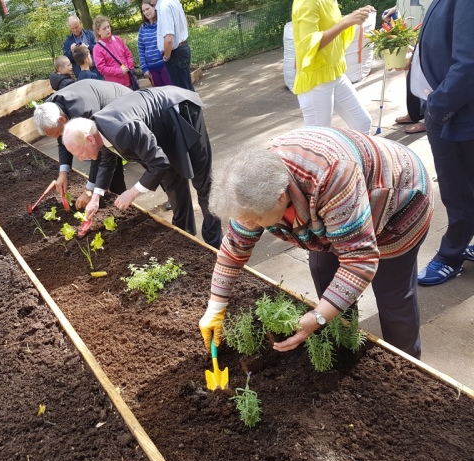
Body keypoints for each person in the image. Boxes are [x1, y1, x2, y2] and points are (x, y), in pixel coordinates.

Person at [199, 127, 433, 359]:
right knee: (323, 270)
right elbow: (235, 247)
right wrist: (215, 308)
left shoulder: (331, 177)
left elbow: (359, 261)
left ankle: (407, 362)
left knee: (392, 295)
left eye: (254, 220)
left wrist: (318, 317)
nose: (249, 225)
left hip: (398, 202)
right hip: (340, 207)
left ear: (280, 197)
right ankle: (345, 341)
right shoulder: (252, 189)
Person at [61, 86, 222, 249]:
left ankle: (214, 242)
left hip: (181, 110)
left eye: (80, 153)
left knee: (203, 182)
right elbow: (106, 162)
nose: (81, 159)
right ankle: (185, 235)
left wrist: (133, 192)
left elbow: (159, 162)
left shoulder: (122, 129)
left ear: (89, 139)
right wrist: (95, 199)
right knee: (172, 180)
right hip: (160, 123)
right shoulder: (96, 129)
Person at [413, 0, 474, 286]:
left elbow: (469, 62)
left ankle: (451, 255)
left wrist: (437, 108)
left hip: (457, 114)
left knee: (457, 190)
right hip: (454, 109)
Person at [33, 80, 130, 209]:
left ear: (61, 119)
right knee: (110, 161)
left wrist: (89, 190)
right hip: (106, 112)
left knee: (129, 154)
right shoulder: (50, 109)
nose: (59, 138)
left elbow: (97, 151)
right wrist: (63, 173)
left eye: (58, 133)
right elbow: (63, 139)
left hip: (125, 106)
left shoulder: (85, 113)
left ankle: (122, 197)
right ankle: (119, 198)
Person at [292, 1, 374, 133]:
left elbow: (328, 26)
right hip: (315, 80)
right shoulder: (307, 2)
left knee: (363, 123)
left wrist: (352, 18)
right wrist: (346, 22)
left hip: (334, 73)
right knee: (318, 138)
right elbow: (308, 44)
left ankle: (359, 154)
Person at [382, 5, 426, 134]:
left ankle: (427, 120)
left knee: (426, 75)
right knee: (412, 72)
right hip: (420, 27)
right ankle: (415, 113)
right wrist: (394, 11)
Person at [154, 0, 194, 91]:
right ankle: (194, 105)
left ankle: (188, 106)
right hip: (182, 48)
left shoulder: (164, 7)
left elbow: (168, 39)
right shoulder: (173, 1)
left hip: (174, 54)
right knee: (188, 89)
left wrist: (166, 57)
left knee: (182, 93)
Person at [92, 15, 135, 89]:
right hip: (116, 85)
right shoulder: (97, 48)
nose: (108, 30)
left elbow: (128, 53)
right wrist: (119, 71)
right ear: (98, 31)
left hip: (129, 79)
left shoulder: (117, 39)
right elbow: (102, 68)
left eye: (108, 27)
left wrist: (130, 66)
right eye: (104, 28)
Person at [138, 0, 173, 87]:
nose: (146, 12)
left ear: (154, 7)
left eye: (147, 9)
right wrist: (145, 68)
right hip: (152, 70)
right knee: (161, 95)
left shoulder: (161, 24)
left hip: (164, 65)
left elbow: (169, 40)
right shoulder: (142, 29)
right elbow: (141, 49)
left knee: (172, 91)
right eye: (143, 11)